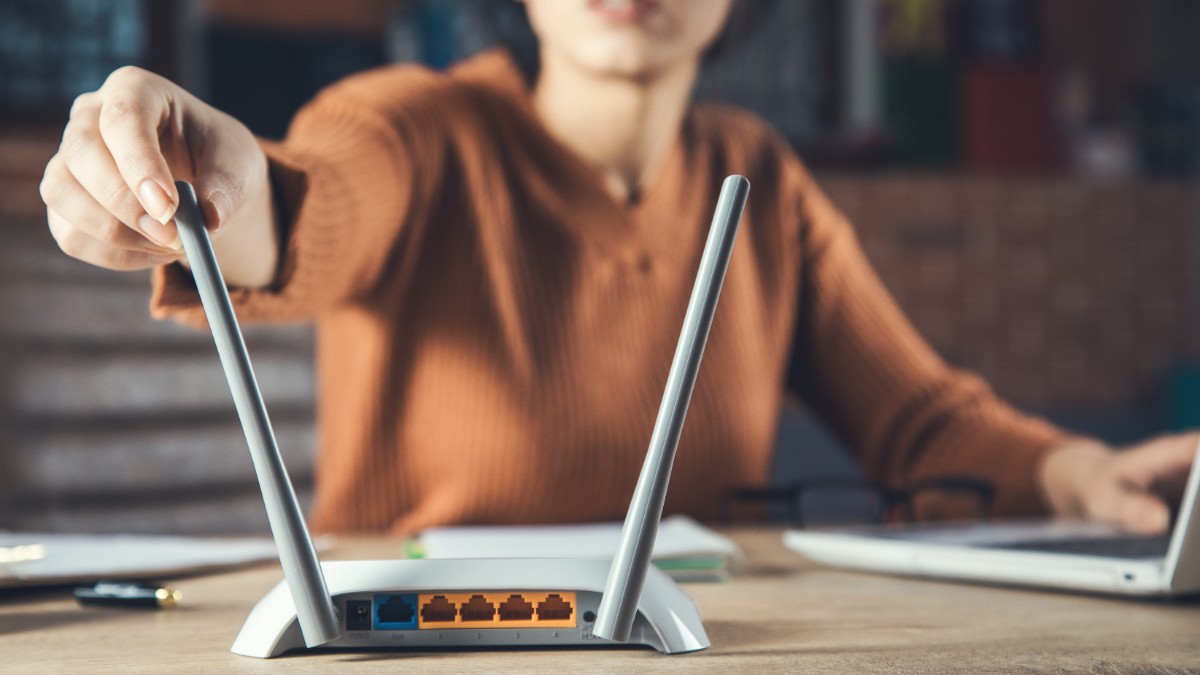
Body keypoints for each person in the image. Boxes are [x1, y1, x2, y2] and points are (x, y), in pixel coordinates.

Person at [38, 0, 1194, 535]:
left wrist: (1086, 473)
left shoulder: (758, 175)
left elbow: (923, 424)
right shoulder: (413, 125)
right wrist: (209, 191)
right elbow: (301, 219)